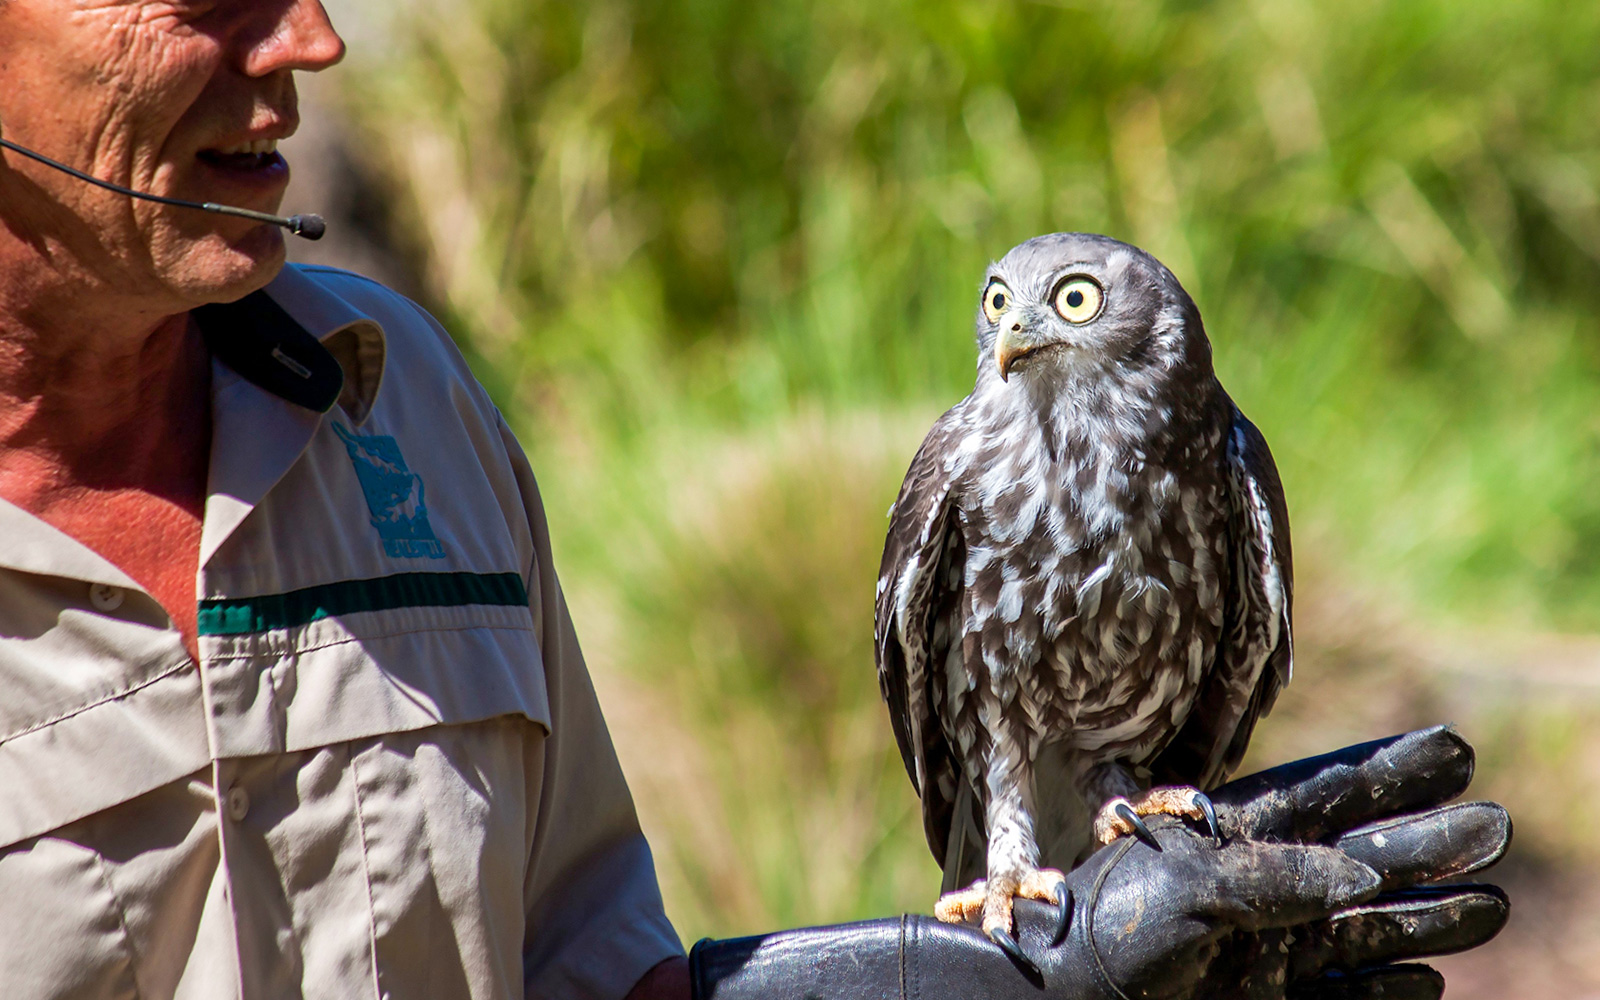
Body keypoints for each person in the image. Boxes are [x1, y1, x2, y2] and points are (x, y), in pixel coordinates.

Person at [0, 2, 1508, 999]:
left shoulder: (398, 407)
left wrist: (1003, 983)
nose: (311, 40)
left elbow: (590, 971)